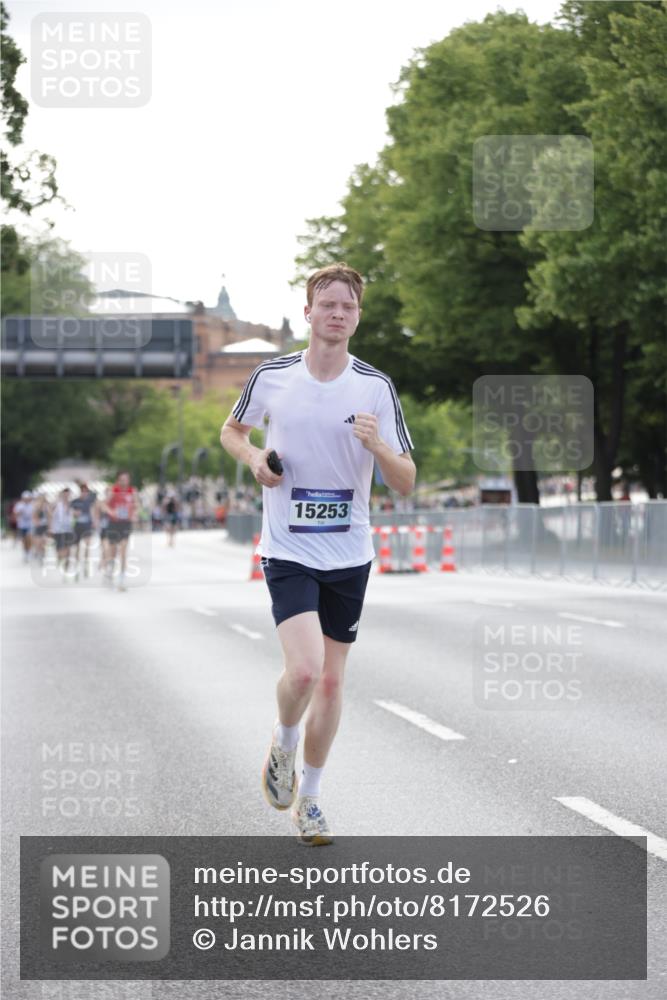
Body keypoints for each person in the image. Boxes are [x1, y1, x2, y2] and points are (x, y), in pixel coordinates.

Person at [220, 263, 416, 845]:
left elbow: (405, 480)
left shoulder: (375, 387)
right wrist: (254, 460)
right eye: (327, 304)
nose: (337, 314)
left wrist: (377, 444)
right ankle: (282, 744)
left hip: (349, 551)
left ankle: (310, 800)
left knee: (331, 684)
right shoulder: (273, 375)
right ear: (308, 314)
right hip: (288, 547)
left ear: (357, 318)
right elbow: (233, 431)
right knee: (304, 670)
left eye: (348, 307)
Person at [102, 472, 137, 591]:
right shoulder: (114, 490)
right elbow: (103, 505)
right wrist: (111, 512)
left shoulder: (132, 491)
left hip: (126, 523)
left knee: (123, 551)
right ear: (118, 480)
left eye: (126, 479)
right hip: (114, 523)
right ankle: (110, 571)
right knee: (113, 552)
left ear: (129, 480)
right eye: (121, 479)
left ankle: (121, 579)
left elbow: (137, 505)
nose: (123, 481)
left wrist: (135, 513)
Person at [70, 483, 98, 579]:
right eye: (83, 491)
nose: (84, 493)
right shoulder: (75, 501)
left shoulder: (90, 501)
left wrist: (94, 521)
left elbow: (93, 511)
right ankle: (77, 567)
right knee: (77, 548)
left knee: (87, 546)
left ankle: (86, 566)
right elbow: (70, 512)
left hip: (87, 526)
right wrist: (75, 513)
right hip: (77, 526)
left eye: (86, 491)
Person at [50, 488, 74, 579]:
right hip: (58, 530)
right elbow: (50, 514)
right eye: (65, 494)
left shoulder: (72, 504)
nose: (67, 496)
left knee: (68, 550)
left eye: (68, 494)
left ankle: (66, 569)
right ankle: (61, 560)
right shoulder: (57, 504)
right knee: (60, 551)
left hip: (69, 530)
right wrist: (50, 528)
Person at [15, 490, 34, 562]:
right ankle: (25, 552)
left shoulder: (32, 505)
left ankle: (29, 551)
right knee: (24, 540)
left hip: (30, 525)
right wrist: (20, 512)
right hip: (22, 525)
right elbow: (16, 514)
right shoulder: (19, 505)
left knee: (29, 538)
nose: (27, 499)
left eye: (28, 498)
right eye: (25, 498)